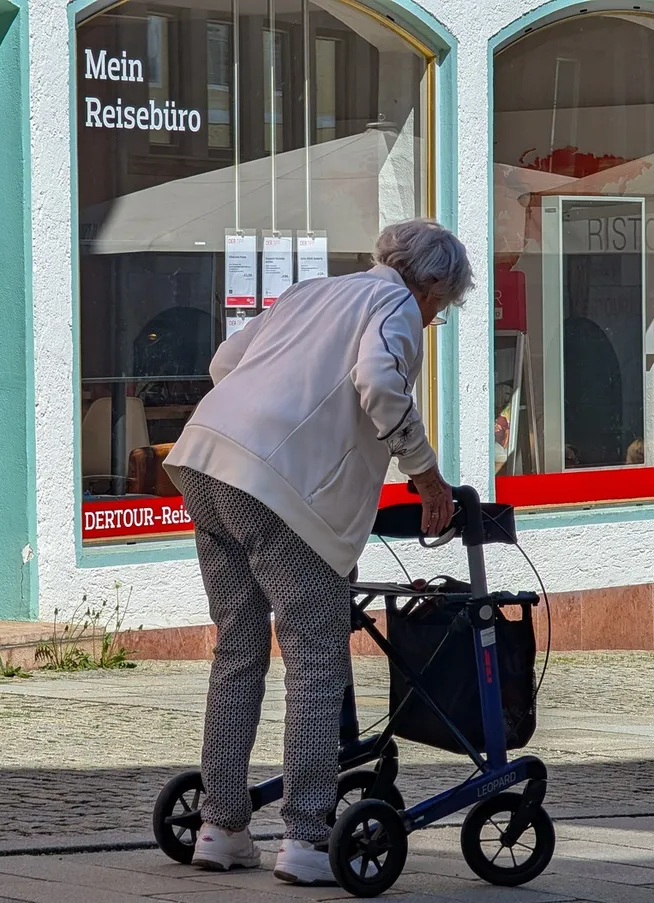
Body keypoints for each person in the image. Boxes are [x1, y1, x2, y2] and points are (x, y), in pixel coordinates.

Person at [162, 218, 473, 885]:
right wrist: (425, 474)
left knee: (238, 649)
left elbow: (225, 364)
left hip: (205, 462)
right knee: (315, 661)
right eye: (440, 309)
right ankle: (306, 836)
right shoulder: (392, 305)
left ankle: (220, 827)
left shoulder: (311, 292)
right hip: (277, 488)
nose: (433, 318)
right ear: (433, 284)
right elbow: (379, 383)